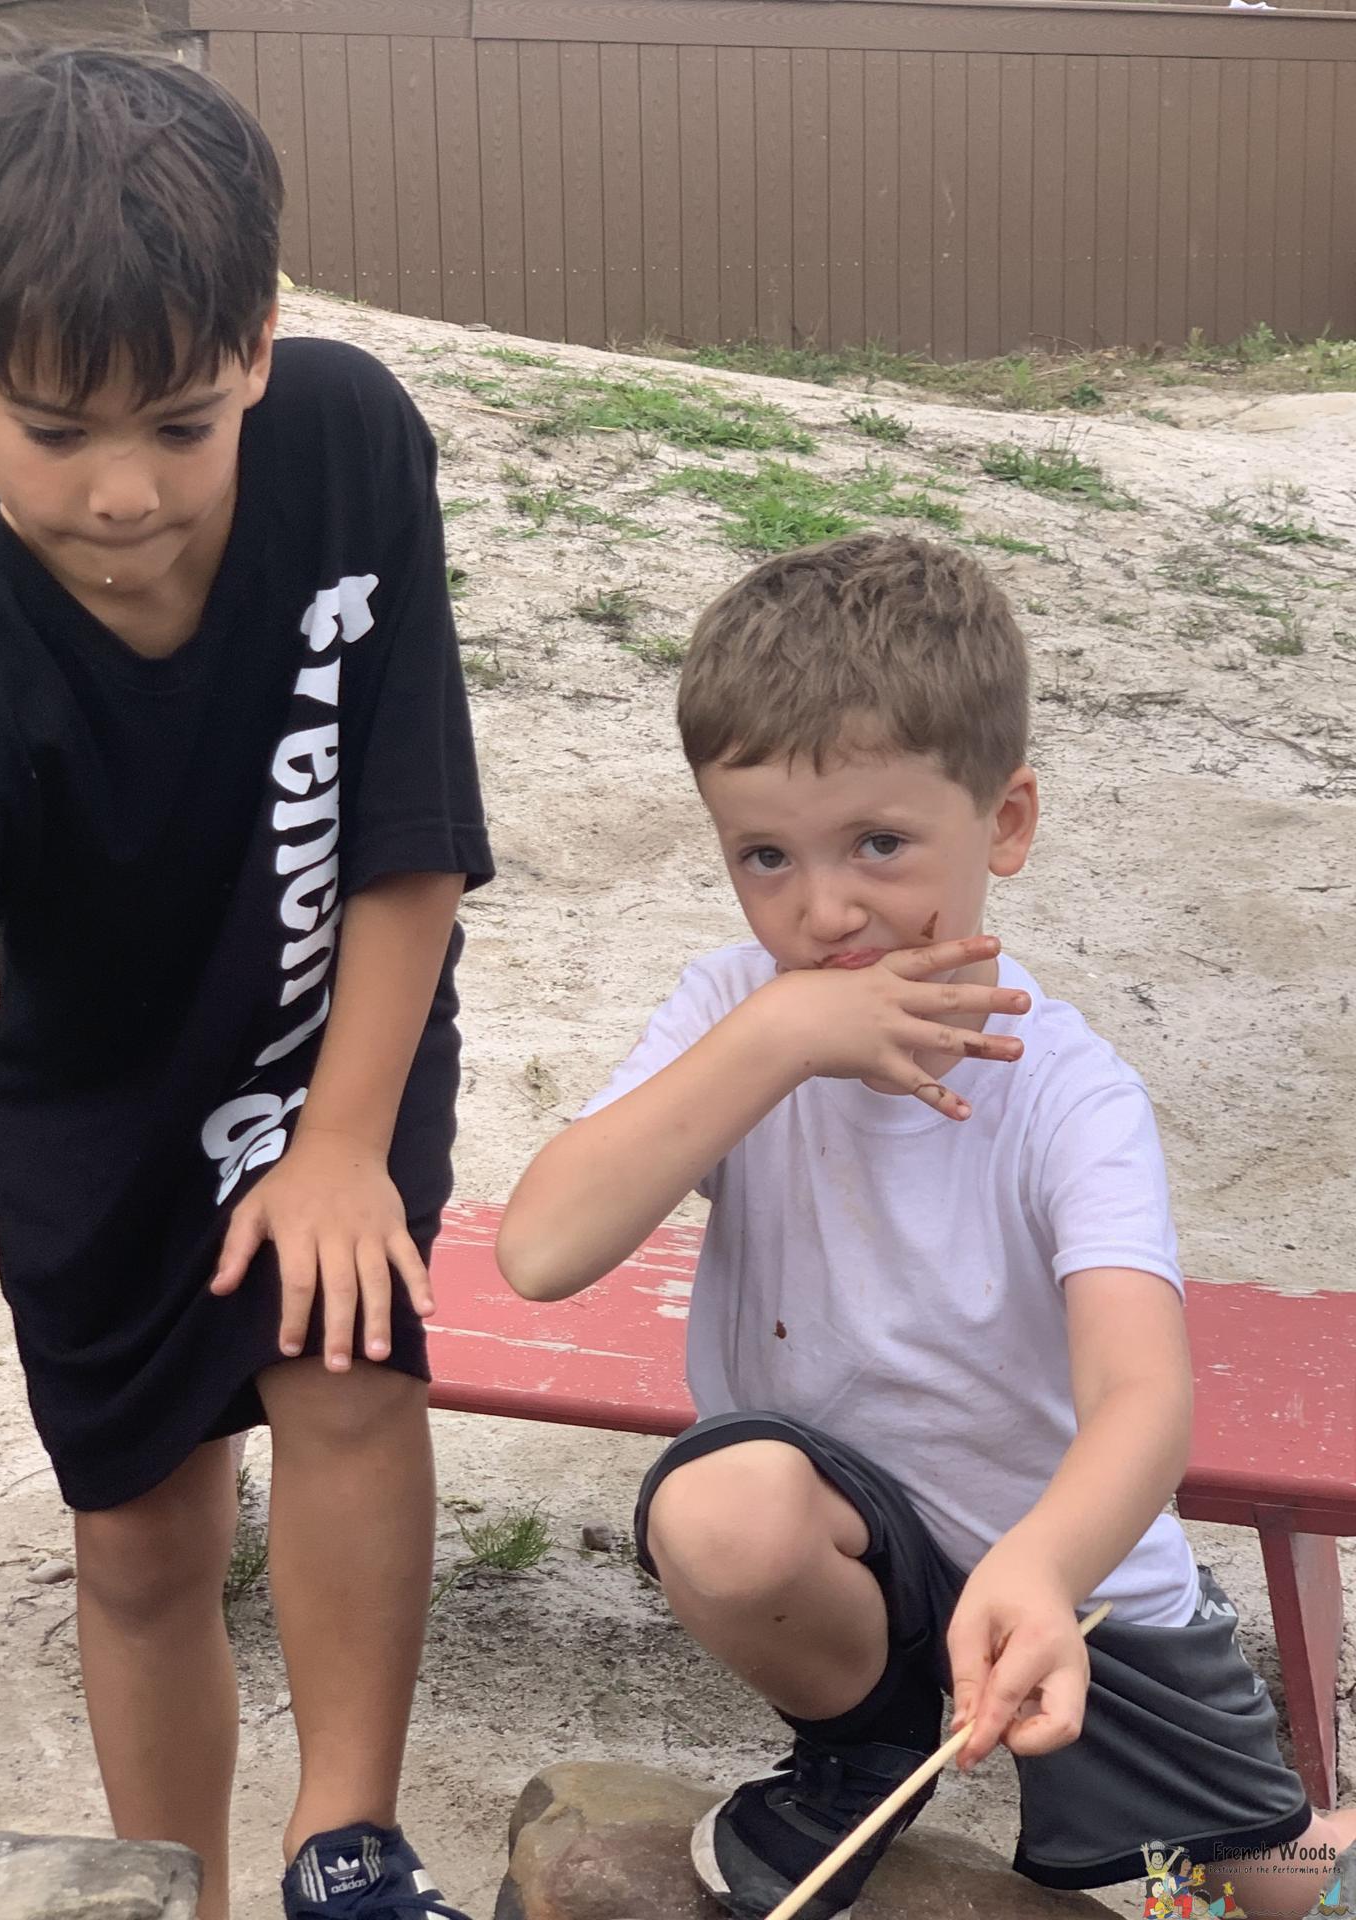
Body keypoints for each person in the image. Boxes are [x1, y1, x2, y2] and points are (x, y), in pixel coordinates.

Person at [497, 534, 1354, 1920]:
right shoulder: (734, 1013)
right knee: (718, 1508)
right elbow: (542, 1252)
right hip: (855, 1551)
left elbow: (1142, 1396)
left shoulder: (1067, 1092)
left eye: (880, 845)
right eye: (764, 856)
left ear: (1005, 824)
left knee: (1270, 1890)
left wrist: (1044, 1563)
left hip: (1077, 1587)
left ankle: (1300, 1843)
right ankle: (862, 1746)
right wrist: (779, 1037)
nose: (825, 909)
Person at [0, 47, 492, 1920]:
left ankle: (349, 1849)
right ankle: (182, 1893)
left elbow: (410, 830)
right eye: (55, 430)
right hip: (98, 1116)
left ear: (256, 346)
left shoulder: (348, 442)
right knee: (144, 1544)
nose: (121, 494)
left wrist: (340, 1146)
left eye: (178, 423)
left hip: (340, 1023)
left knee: (343, 1364)